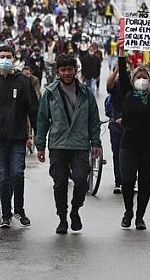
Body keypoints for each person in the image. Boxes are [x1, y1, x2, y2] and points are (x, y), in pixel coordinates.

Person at [108, 40, 150, 230]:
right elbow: (122, 67)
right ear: (133, 79)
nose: (142, 77)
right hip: (129, 144)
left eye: (145, 75)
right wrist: (121, 50)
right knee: (127, 181)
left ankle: (140, 217)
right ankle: (128, 211)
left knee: (144, 183)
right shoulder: (127, 93)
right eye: (138, 75)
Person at [36, 54, 101, 234]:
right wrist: (40, 146)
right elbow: (42, 121)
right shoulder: (50, 93)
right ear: (58, 72)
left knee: (81, 181)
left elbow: (93, 119)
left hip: (80, 144)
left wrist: (96, 142)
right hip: (58, 144)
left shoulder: (86, 92)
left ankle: (75, 210)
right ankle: (62, 218)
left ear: (75, 70)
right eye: (63, 70)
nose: (66, 73)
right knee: (60, 184)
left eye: (69, 70)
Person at [0, 46, 38, 229]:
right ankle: (6, 214)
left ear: (14, 59)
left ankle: (19, 209)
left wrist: (37, 136)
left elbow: (33, 109)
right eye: (2, 56)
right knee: (2, 176)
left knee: (17, 173)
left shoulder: (23, 81)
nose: (5, 59)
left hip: (18, 137)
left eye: (8, 57)